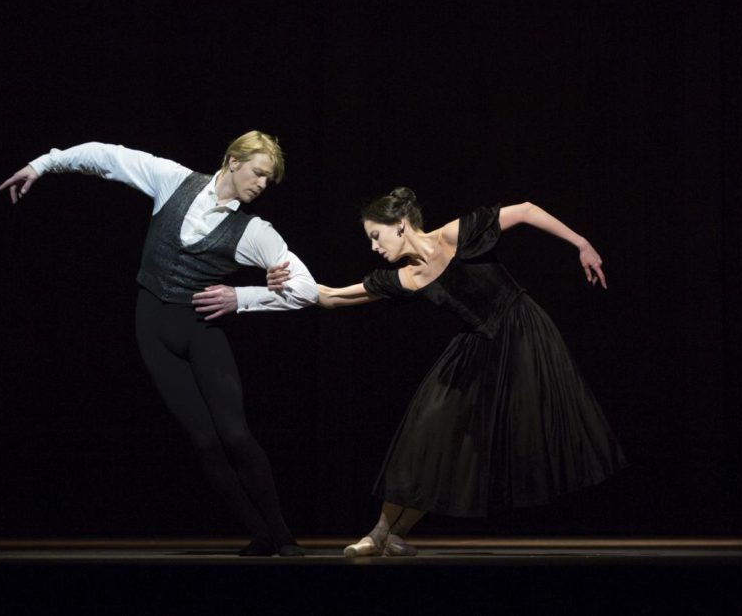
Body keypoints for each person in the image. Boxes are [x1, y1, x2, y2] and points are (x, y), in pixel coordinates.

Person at [0, 131, 317, 556]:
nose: (262, 184)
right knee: (204, 440)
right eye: (258, 173)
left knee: (235, 435)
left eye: (269, 180)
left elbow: (306, 289)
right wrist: (42, 164)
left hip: (201, 330)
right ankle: (259, 532)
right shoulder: (173, 180)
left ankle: (283, 535)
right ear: (233, 161)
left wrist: (240, 297)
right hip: (152, 328)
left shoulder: (254, 231)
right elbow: (107, 156)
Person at [268, 188, 627, 556]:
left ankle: (392, 533)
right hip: (476, 346)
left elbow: (527, 210)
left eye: (376, 236)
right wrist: (288, 278)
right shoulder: (407, 278)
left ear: (401, 225)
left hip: (521, 334)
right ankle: (381, 533)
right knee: (428, 430)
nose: (374, 247)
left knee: (510, 434)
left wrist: (581, 243)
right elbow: (331, 296)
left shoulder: (455, 234)